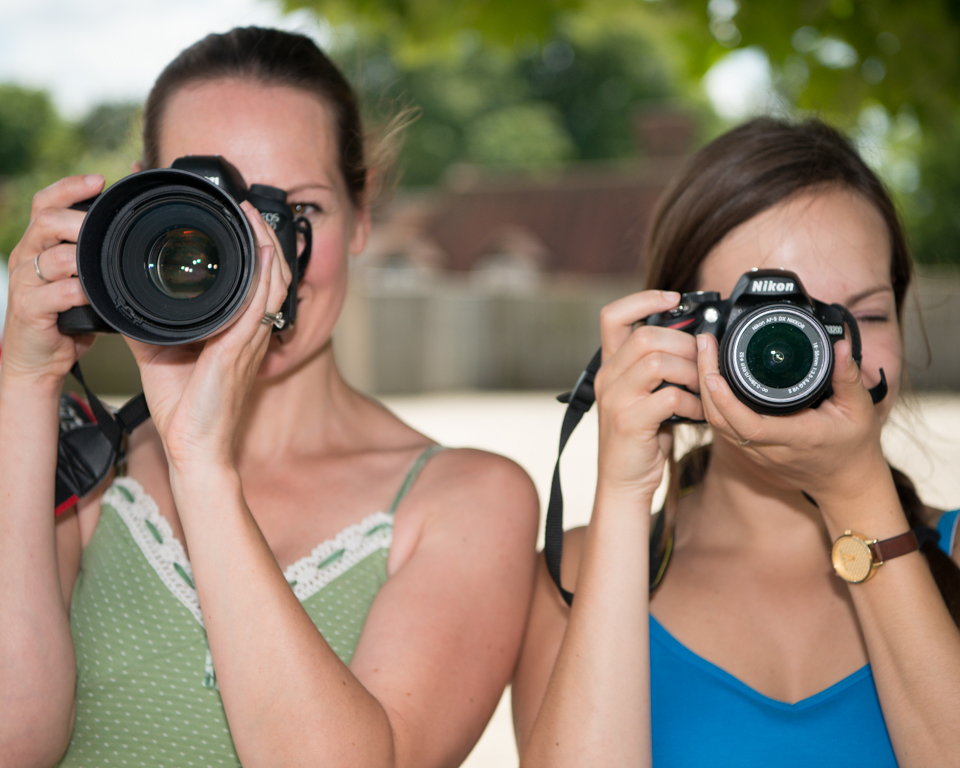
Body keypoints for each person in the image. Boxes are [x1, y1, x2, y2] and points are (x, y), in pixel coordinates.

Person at [0, 27, 539, 768]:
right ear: (136, 207)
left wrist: (202, 467)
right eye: (210, 214)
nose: (256, 262)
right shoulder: (86, 464)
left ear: (364, 214)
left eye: (297, 214)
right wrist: (26, 384)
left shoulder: (469, 500)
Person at [511, 117, 960, 767]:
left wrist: (858, 498)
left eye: (860, 315)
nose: (813, 355)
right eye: (767, 326)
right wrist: (624, 491)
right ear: (676, 334)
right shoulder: (576, 573)